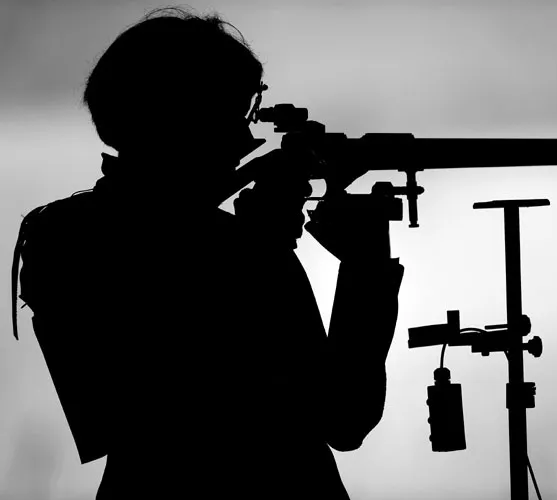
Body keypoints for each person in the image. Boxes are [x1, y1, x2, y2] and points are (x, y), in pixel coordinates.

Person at [12, 7, 404, 499]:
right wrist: (361, 266)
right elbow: (343, 416)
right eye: (231, 115)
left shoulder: (65, 234)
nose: (245, 139)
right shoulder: (222, 247)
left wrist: (256, 243)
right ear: (181, 119)